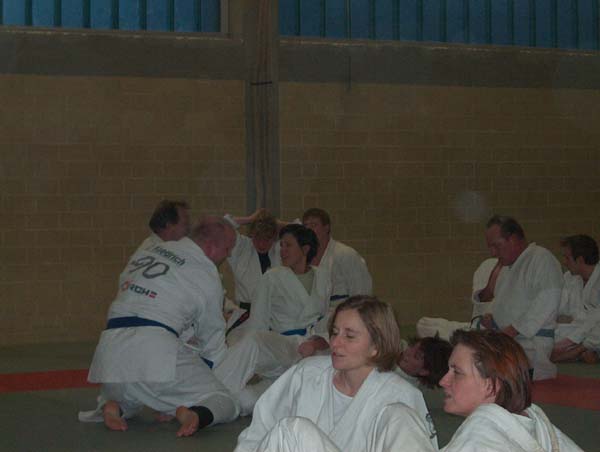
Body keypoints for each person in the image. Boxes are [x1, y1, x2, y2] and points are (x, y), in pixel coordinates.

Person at [78, 216, 238, 437]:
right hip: (153, 349)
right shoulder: (206, 271)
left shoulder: (151, 250)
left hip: (110, 353)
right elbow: (212, 343)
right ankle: (193, 413)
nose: (228, 255)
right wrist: (209, 380)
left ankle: (114, 405)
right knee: (224, 400)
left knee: (136, 395)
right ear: (211, 246)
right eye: (227, 249)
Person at [233, 296, 438, 452]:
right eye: (335, 332)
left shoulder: (401, 396)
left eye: (349, 336)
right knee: (290, 430)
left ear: (376, 345)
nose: (335, 343)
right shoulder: (306, 374)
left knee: (294, 430)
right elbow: (258, 432)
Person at [214, 224, 332, 413]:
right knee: (253, 341)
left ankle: (284, 388)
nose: (282, 250)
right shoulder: (271, 277)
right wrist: (257, 363)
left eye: (288, 245)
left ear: (305, 249)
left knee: (247, 401)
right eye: (281, 245)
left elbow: (325, 319)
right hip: (283, 346)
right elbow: (257, 325)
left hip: (312, 350)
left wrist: (319, 341)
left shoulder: (323, 276)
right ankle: (209, 394)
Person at [440, 329, 583, 451]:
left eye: (457, 372)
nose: (443, 381)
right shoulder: (535, 424)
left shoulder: (477, 442)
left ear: (491, 385)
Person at [474, 215, 563, 380]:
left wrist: (513, 329)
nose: (493, 253)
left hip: (529, 345)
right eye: (490, 247)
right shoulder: (507, 268)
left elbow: (547, 301)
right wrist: (493, 319)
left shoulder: (541, 259)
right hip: (509, 342)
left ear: (513, 239)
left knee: (478, 370)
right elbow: (510, 305)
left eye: (496, 246)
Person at [302, 208, 372, 309]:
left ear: (326, 228)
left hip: (345, 314)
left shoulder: (345, 254)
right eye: (305, 226)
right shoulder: (304, 258)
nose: (309, 229)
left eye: (314, 225)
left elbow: (362, 294)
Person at [416, 257, 499, 340]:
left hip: (489, 337)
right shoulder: (489, 265)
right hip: (476, 330)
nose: (494, 252)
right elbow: (482, 299)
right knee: (424, 325)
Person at [224, 208, 286, 311]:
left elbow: (303, 231)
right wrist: (250, 219)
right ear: (252, 234)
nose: (261, 244)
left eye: (267, 239)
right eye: (257, 238)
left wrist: (276, 223)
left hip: (276, 312)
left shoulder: (281, 250)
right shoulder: (241, 247)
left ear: (274, 237)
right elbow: (222, 226)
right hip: (246, 311)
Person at [552, 235, 600, 363]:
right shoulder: (569, 277)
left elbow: (595, 320)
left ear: (580, 260)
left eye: (567, 258)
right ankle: (587, 351)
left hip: (592, 333)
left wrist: (571, 344)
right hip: (578, 330)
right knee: (547, 333)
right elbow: (558, 307)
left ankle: (578, 351)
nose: (564, 262)